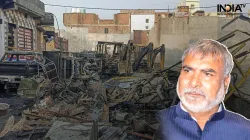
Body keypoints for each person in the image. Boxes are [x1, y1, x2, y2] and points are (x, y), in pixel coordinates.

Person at [158, 39, 250, 140]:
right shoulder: (163, 123)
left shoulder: (244, 131)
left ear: (226, 82)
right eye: (187, 71)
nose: (193, 83)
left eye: (207, 74)